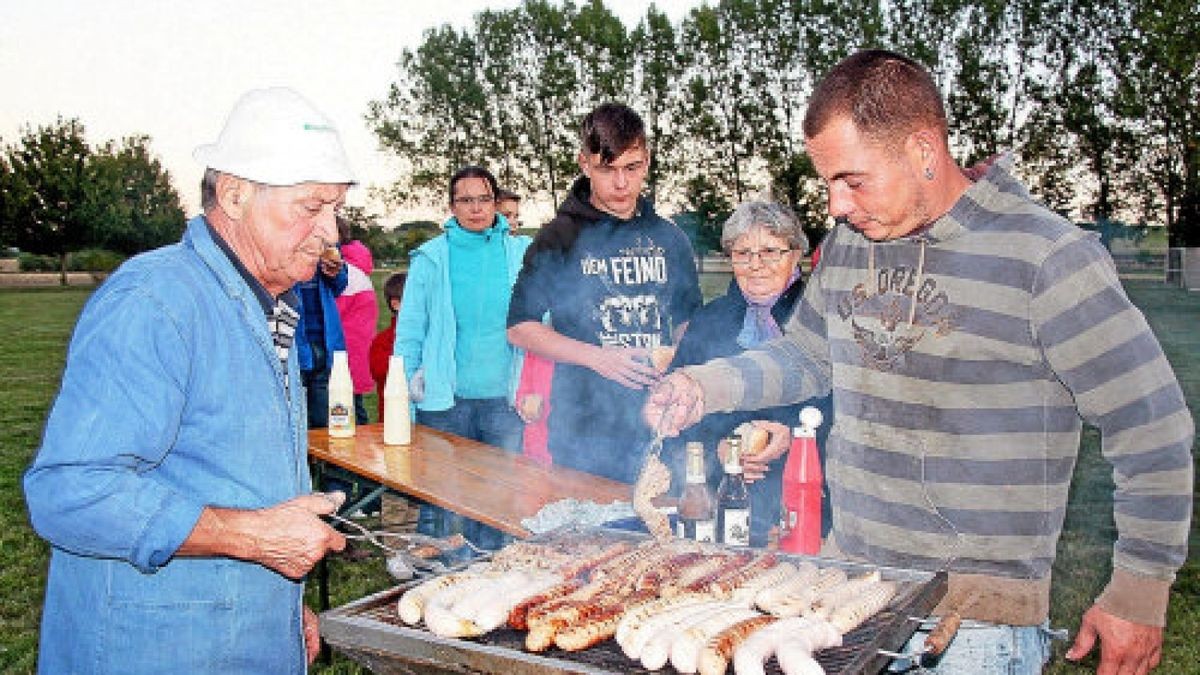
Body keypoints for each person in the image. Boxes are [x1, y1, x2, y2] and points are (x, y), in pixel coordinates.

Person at [644, 50, 1193, 674]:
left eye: (852, 180)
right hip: (848, 591)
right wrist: (702, 383)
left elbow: (1150, 426)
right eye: (828, 182)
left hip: (975, 623)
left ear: (924, 152)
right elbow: (806, 356)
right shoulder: (851, 247)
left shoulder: (1046, 258)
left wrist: (1139, 590)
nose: (835, 207)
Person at [23, 86, 351, 672]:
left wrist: (278, 610)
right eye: (310, 207)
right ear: (234, 195)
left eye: (335, 207)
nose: (331, 231)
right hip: (152, 649)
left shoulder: (269, 305)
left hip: (233, 638)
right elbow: (68, 491)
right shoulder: (156, 301)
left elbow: (232, 477)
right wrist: (252, 538)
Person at [507, 102, 703, 483]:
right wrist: (598, 357)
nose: (620, 184)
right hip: (583, 425)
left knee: (663, 535)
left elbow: (686, 322)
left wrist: (681, 365)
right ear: (584, 164)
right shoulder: (560, 236)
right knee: (590, 538)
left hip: (660, 420)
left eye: (632, 168)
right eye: (606, 169)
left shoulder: (669, 238)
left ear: (646, 162)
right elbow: (519, 327)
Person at [663, 200, 832, 548]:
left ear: (795, 253)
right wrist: (717, 451)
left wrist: (796, 436)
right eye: (743, 253)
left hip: (801, 508)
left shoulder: (822, 320)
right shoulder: (709, 320)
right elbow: (673, 420)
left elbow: (846, 410)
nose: (756, 265)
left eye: (770, 251)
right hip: (716, 507)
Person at [393, 165, 531, 548]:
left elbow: (542, 322)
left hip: (505, 401)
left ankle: (497, 575)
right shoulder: (430, 258)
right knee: (447, 502)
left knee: (501, 498)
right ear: (452, 206)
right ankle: (441, 578)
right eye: (465, 200)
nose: (475, 208)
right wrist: (403, 394)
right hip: (445, 403)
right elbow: (409, 333)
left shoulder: (521, 252)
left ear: (495, 203)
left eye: (483, 198)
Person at [294, 235, 348, 428]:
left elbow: (340, 285)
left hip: (326, 341)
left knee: (324, 417)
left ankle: (322, 456)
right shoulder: (283, 238)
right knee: (295, 416)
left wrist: (335, 272)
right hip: (295, 342)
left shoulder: (327, 238)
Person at [334, 216, 379, 424]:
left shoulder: (342, 272)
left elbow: (332, 313)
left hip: (343, 351)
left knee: (343, 406)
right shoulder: (358, 271)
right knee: (354, 404)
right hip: (358, 349)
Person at [370, 271, 407, 420]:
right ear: (396, 304)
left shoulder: (431, 337)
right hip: (393, 420)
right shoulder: (383, 341)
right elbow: (379, 371)